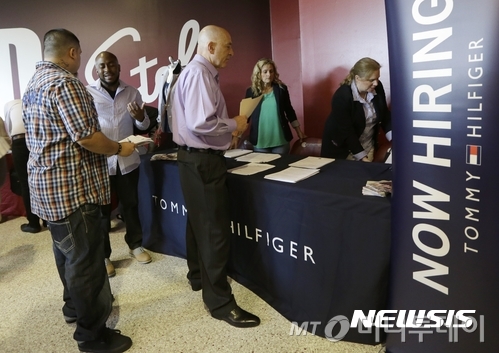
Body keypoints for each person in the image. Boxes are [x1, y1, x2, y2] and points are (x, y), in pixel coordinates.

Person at [22, 28, 134, 353]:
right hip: (75, 191)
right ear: (72, 53)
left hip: (49, 190)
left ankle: (73, 307)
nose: (80, 62)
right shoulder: (65, 83)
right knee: (86, 262)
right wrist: (118, 148)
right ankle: (92, 335)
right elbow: (86, 136)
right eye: (81, 56)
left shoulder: (34, 84)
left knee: (66, 253)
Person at [171, 25, 260, 328]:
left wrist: (226, 133)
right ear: (210, 47)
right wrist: (233, 124)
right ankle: (220, 303)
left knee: (198, 226)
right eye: (228, 46)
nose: (232, 52)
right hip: (202, 163)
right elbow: (201, 123)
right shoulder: (199, 74)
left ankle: (198, 276)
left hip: (194, 160)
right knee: (214, 233)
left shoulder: (199, 73)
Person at [87, 51, 152, 277]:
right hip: (101, 163)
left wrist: (142, 117)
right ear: (97, 70)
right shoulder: (88, 93)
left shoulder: (132, 92)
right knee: (102, 212)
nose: (107, 69)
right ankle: (104, 256)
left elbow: (143, 127)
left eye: (112, 65)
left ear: (119, 67)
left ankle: (135, 245)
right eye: (102, 66)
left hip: (127, 161)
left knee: (130, 206)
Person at [320, 57, 392, 161]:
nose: (376, 83)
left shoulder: (377, 87)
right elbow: (346, 131)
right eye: (371, 80)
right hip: (342, 150)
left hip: (367, 146)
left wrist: (394, 140)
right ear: (357, 78)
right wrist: (362, 157)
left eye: (377, 78)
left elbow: (384, 114)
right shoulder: (342, 96)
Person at [240, 58, 306, 153]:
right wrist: (237, 137)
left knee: (282, 166)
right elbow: (245, 117)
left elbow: (289, 111)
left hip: (281, 140)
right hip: (260, 141)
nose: (269, 75)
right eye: (265, 72)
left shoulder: (281, 89)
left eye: (271, 71)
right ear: (258, 74)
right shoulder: (251, 92)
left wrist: (299, 132)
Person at [4, 99, 45, 232]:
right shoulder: (32, 102)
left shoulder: (9, 105)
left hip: (19, 140)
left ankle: (33, 224)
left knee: (25, 183)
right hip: (37, 139)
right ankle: (47, 220)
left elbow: (9, 130)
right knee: (42, 180)